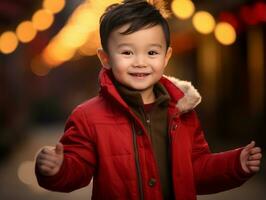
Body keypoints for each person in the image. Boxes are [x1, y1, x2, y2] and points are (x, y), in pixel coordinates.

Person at [35, 1, 262, 200]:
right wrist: (58, 168)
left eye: (152, 53)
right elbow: (79, 168)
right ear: (105, 58)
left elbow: (196, 170)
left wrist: (235, 164)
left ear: (166, 57)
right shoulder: (88, 117)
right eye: (127, 53)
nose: (140, 62)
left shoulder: (181, 111)